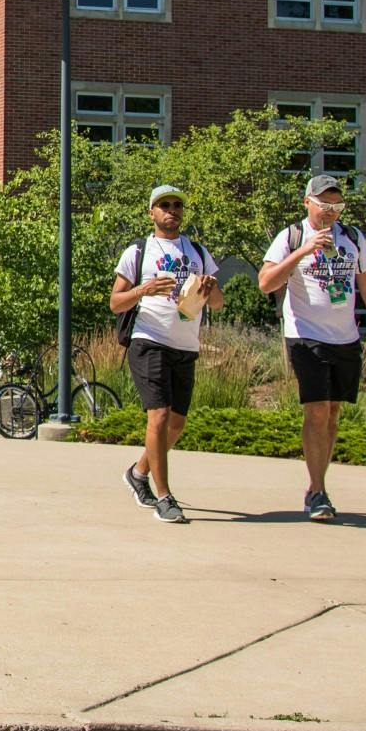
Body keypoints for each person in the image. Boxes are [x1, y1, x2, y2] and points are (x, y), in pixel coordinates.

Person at [256, 173, 366, 522]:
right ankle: (317, 490)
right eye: (324, 205)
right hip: (306, 334)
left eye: (337, 205)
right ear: (307, 202)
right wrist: (304, 251)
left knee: (334, 411)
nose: (330, 212)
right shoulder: (291, 237)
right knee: (317, 409)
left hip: (345, 337)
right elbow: (266, 282)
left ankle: (317, 487)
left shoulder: (352, 238)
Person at [111, 184, 223, 524]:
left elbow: (217, 304)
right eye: (163, 205)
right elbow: (115, 302)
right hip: (149, 340)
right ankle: (164, 497)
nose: (171, 210)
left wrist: (210, 290)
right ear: (152, 213)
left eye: (176, 205)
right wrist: (144, 289)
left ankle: (138, 472)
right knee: (158, 416)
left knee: (177, 423)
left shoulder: (198, 251)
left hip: (185, 344)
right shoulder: (138, 251)